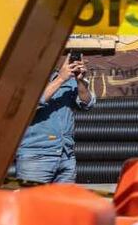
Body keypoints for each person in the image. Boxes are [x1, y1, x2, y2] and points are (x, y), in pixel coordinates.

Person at [15, 53, 95, 183]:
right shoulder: (25, 78)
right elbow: (27, 107)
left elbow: (87, 104)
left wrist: (80, 81)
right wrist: (60, 79)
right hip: (36, 156)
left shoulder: (69, 80)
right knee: (34, 202)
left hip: (66, 156)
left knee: (64, 203)